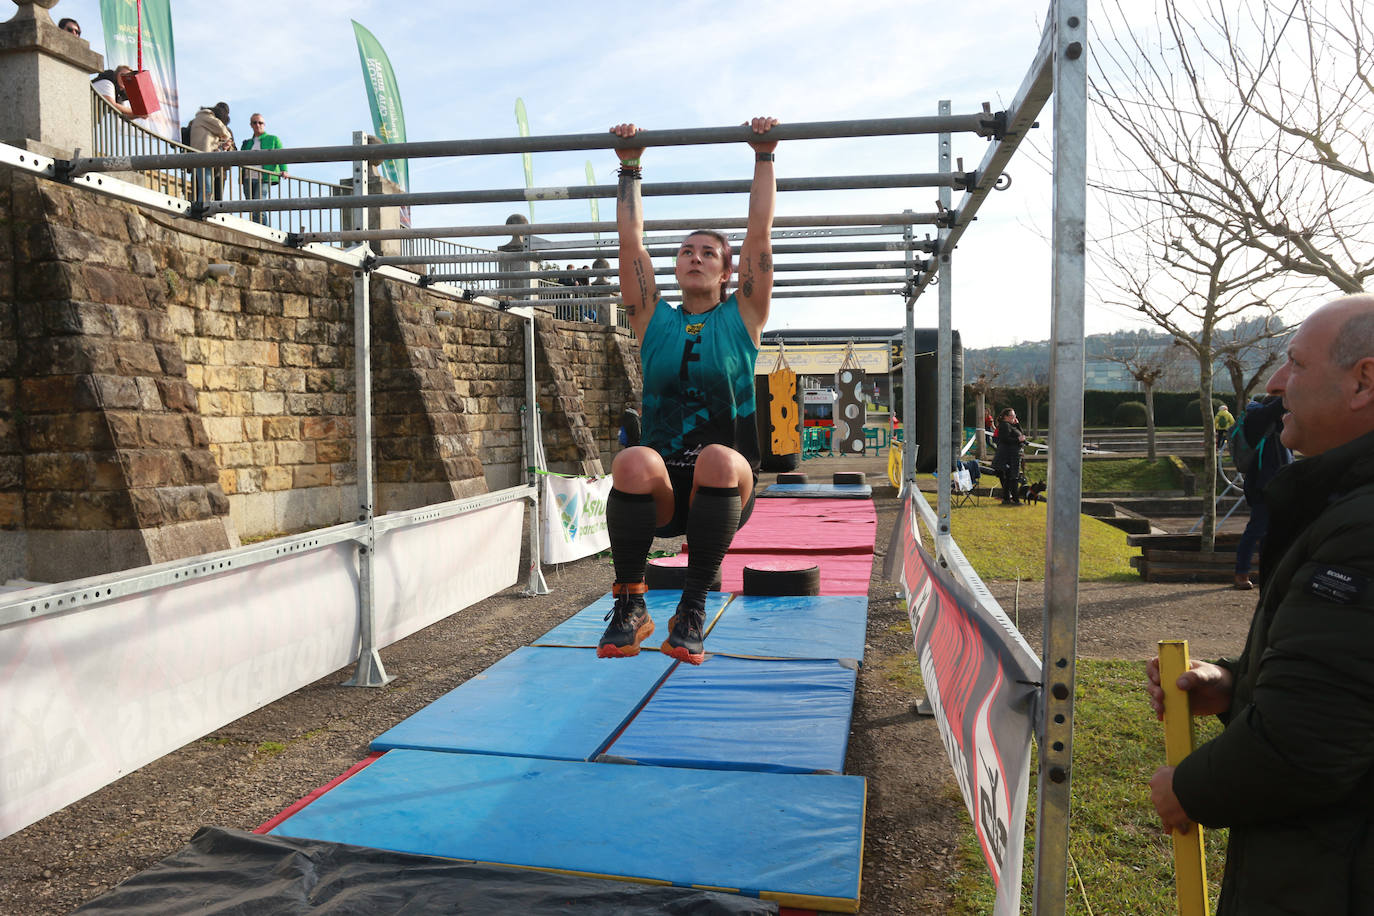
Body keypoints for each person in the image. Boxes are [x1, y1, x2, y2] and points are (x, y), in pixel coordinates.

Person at [1146, 294, 1374, 915]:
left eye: (1296, 364)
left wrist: (1188, 789)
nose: (1276, 384)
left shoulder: (1361, 531)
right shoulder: (1344, 508)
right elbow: (1347, 680)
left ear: (1364, 381)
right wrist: (1236, 684)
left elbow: (1308, 745)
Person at [596, 116, 778, 665]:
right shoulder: (653, 318)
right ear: (674, 268)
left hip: (724, 488)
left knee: (720, 458)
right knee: (630, 461)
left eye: (708, 253)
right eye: (685, 252)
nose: (694, 257)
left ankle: (691, 610)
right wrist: (630, 166)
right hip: (666, 496)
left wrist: (763, 155)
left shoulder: (743, 316)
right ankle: (631, 605)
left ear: (729, 273)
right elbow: (631, 242)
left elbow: (759, 237)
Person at [1231, 395, 1292, 589]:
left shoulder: (1272, 423)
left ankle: (1269, 573)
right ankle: (1241, 573)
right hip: (1264, 486)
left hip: (1276, 485)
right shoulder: (1259, 418)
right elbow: (1281, 402)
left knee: (1271, 533)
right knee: (1256, 530)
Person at [239, 113, 288, 226]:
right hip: (248, 178)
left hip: (264, 177)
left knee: (259, 205)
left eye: (260, 122)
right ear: (251, 125)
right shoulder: (247, 143)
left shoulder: (273, 139)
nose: (257, 125)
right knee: (252, 206)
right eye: (254, 122)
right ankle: (258, 228)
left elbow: (282, 155)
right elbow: (240, 158)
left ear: (264, 125)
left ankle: (264, 230)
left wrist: (284, 170)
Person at [188, 103, 233, 203]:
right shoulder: (206, 116)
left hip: (200, 156)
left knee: (204, 187)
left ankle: (203, 206)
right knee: (206, 188)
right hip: (204, 157)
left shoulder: (199, 119)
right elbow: (223, 130)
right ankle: (204, 208)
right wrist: (227, 138)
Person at [991, 407, 1026, 505]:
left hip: (1014, 454)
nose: (1014, 417)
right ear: (1006, 417)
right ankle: (1014, 499)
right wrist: (1017, 440)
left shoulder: (1011, 426)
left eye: (1014, 416)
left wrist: (1017, 424)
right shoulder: (1005, 426)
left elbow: (1020, 433)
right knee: (1012, 477)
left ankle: (1008, 498)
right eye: (1012, 416)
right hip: (1010, 455)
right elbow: (1004, 439)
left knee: (1010, 477)